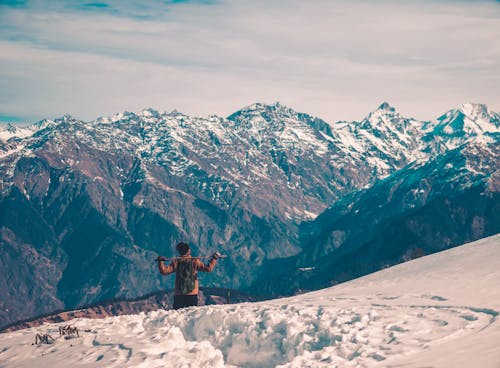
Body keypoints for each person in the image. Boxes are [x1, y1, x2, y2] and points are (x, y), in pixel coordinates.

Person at [157, 242, 221, 310]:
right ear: (189, 251)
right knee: (191, 315)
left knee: (177, 315)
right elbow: (209, 268)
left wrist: (161, 262)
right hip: (192, 293)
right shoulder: (194, 261)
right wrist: (214, 258)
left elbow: (164, 271)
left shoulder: (176, 262)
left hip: (179, 294)